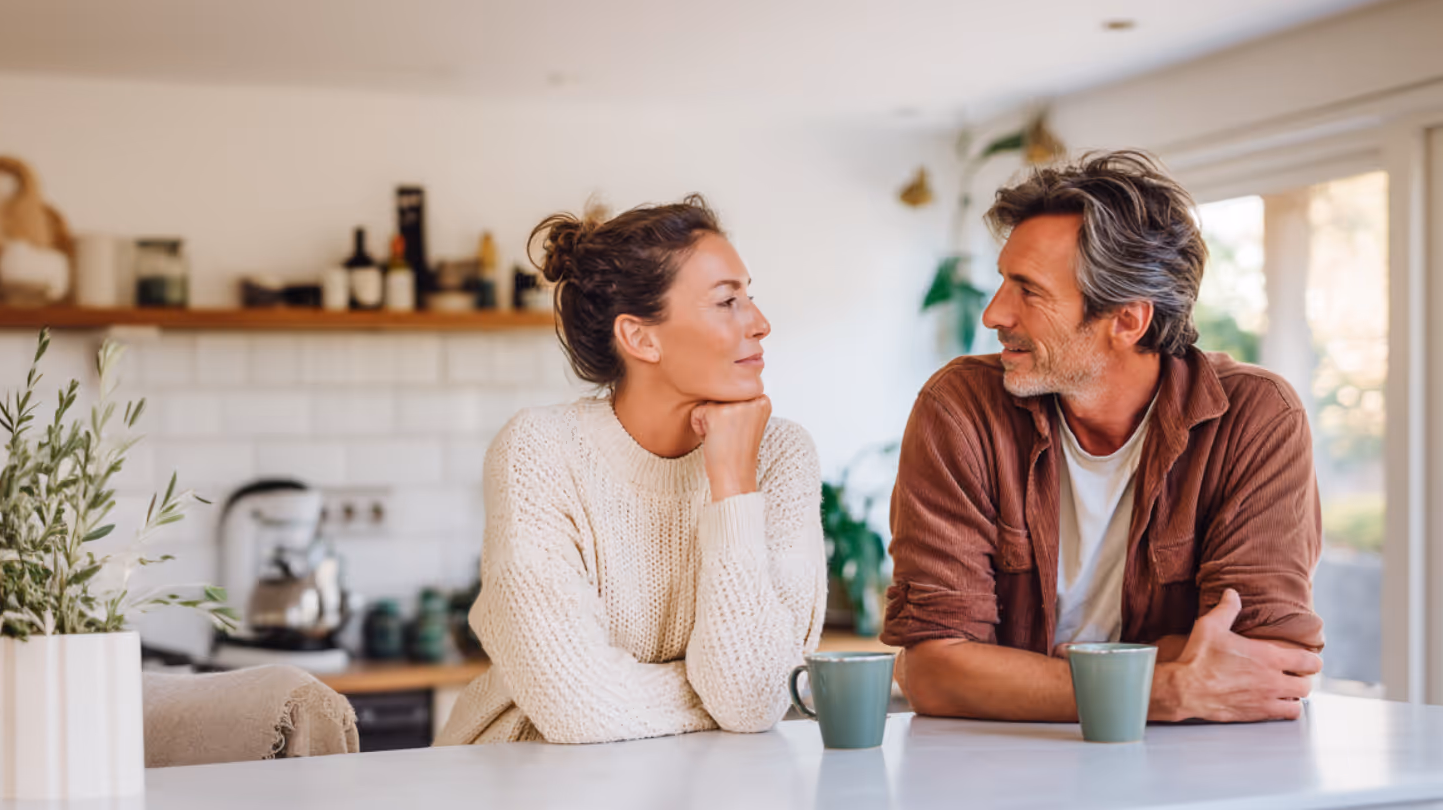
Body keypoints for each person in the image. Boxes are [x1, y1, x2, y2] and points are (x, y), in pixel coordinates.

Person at [885, 150, 1324, 724]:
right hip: (1000, 765)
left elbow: (1269, 661)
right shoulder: (961, 409)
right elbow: (936, 673)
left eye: (1028, 290)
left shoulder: (1255, 418)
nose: (993, 314)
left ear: (1127, 320)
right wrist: (1156, 690)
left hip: (1192, 771)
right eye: (1002, 282)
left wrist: (1021, 674)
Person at [434, 195, 826, 745]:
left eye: (750, 298)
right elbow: (578, 707)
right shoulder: (538, 450)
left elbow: (756, 699)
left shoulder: (781, 453)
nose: (760, 324)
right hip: (526, 776)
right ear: (640, 337)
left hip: (704, 785)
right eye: (726, 302)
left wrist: (733, 485)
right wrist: (709, 690)